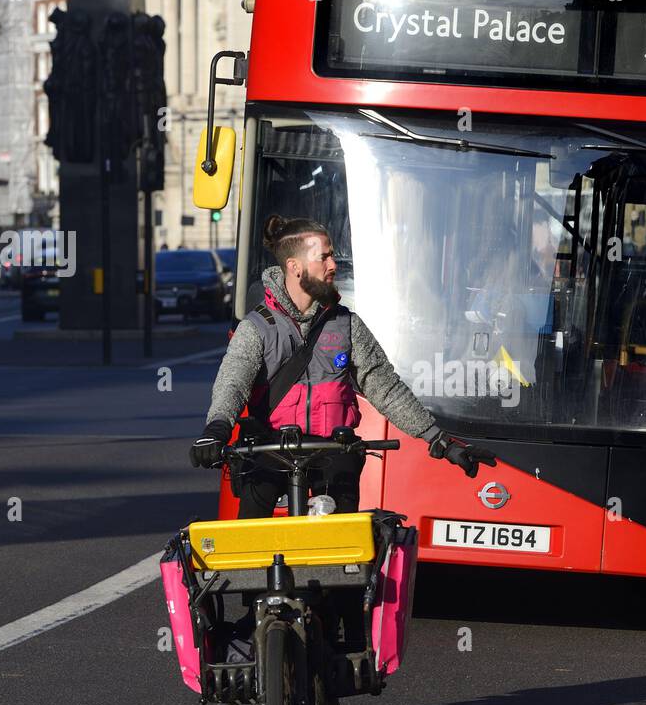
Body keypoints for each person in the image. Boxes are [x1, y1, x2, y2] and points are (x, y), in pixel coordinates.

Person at [190, 215, 496, 516]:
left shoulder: (346, 324)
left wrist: (439, 440)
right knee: (249, 539)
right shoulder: (258, 327)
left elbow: (384, 387)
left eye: (332, 256)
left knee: (345, 540)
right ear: (294, 267)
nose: (333, 265)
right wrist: (217, 428)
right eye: (323, 257)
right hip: (271, 448)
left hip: (333, 450)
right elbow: (233, 381)